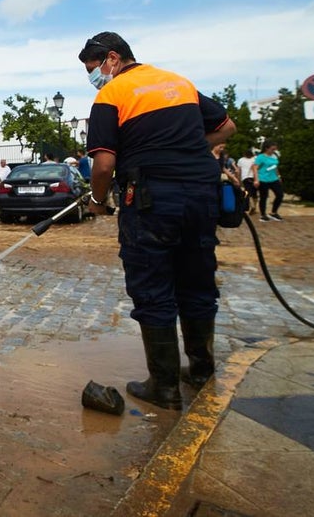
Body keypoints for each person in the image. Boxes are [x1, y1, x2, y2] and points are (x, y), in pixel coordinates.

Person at [79, 31, 235, 411]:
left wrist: (98, 201)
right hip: (201, 196)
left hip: (151, 199)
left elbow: (104, 163)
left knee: (153, 285)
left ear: (113, 58)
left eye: (94, 67)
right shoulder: (178, 84)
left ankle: (164, 387)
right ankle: (200, 371)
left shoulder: (111, 95)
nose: (94, 76)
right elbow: (227, 127)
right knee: (197, 280)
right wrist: (186, 147)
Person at [254, 142, 284, 221]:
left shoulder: (274, 156)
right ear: (266, 148)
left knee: (280, 194)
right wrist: (256, 179)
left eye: (275, 149)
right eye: (272, 149)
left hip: (274, 179)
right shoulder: (260, 157)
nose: (273, 151)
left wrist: (279, 176)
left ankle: (273, 212)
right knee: (264, 197)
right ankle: (263, 214)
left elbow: (275, 167)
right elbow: (255, 168)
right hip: (263, 179)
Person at [236, 149, 258, 214]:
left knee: (247, 192)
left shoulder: (241, 160)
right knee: (254, 193)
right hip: (254, 178)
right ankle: (255, 207)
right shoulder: (255, 159)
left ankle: (251, 206)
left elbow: (239, 171)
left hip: (245, 178)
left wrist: (238, 179)